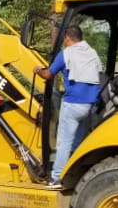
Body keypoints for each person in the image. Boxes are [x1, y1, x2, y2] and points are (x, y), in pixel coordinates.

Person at [34, 25, 102, 188]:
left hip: (72, 105)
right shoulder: (92, 53)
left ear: (67, 38)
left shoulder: (66, 54)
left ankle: (57, 177)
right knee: (77, 141)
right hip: (89, 106)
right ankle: (74, 173)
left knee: (64, 142)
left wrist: (38, 70)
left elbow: (48, 74)